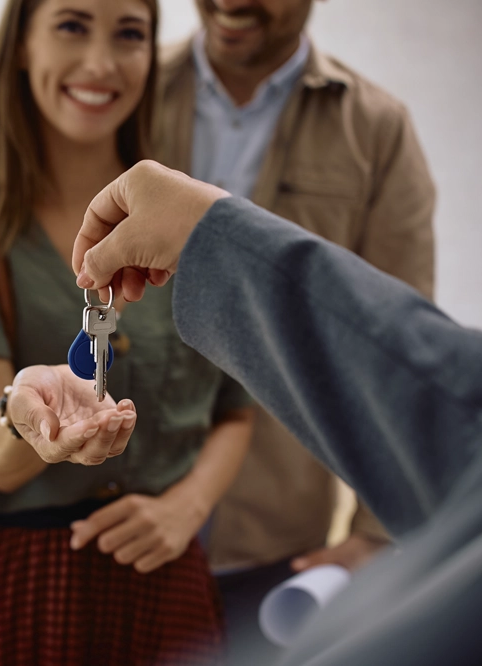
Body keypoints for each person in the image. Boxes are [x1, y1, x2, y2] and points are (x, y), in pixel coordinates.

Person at [5, 159, 482, 666]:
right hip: (61, 568)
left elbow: (438, 389)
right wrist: (11, 411)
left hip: (263, 540)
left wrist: (372, 535)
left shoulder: (373, 132)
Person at [0, 1, 256, 663]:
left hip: (166, 577)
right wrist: (23, 417)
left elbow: (235, 412)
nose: (100, 63)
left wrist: (187, 507)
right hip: (17, 587)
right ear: (22, 46)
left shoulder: (195, 220)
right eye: (71, 25)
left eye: (129, 34)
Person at [153, 2, 436, 661]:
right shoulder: (130, 87)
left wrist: (375, 532)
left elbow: (398, 340)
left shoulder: (376, 128)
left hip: (274, 537)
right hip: (119, 512)